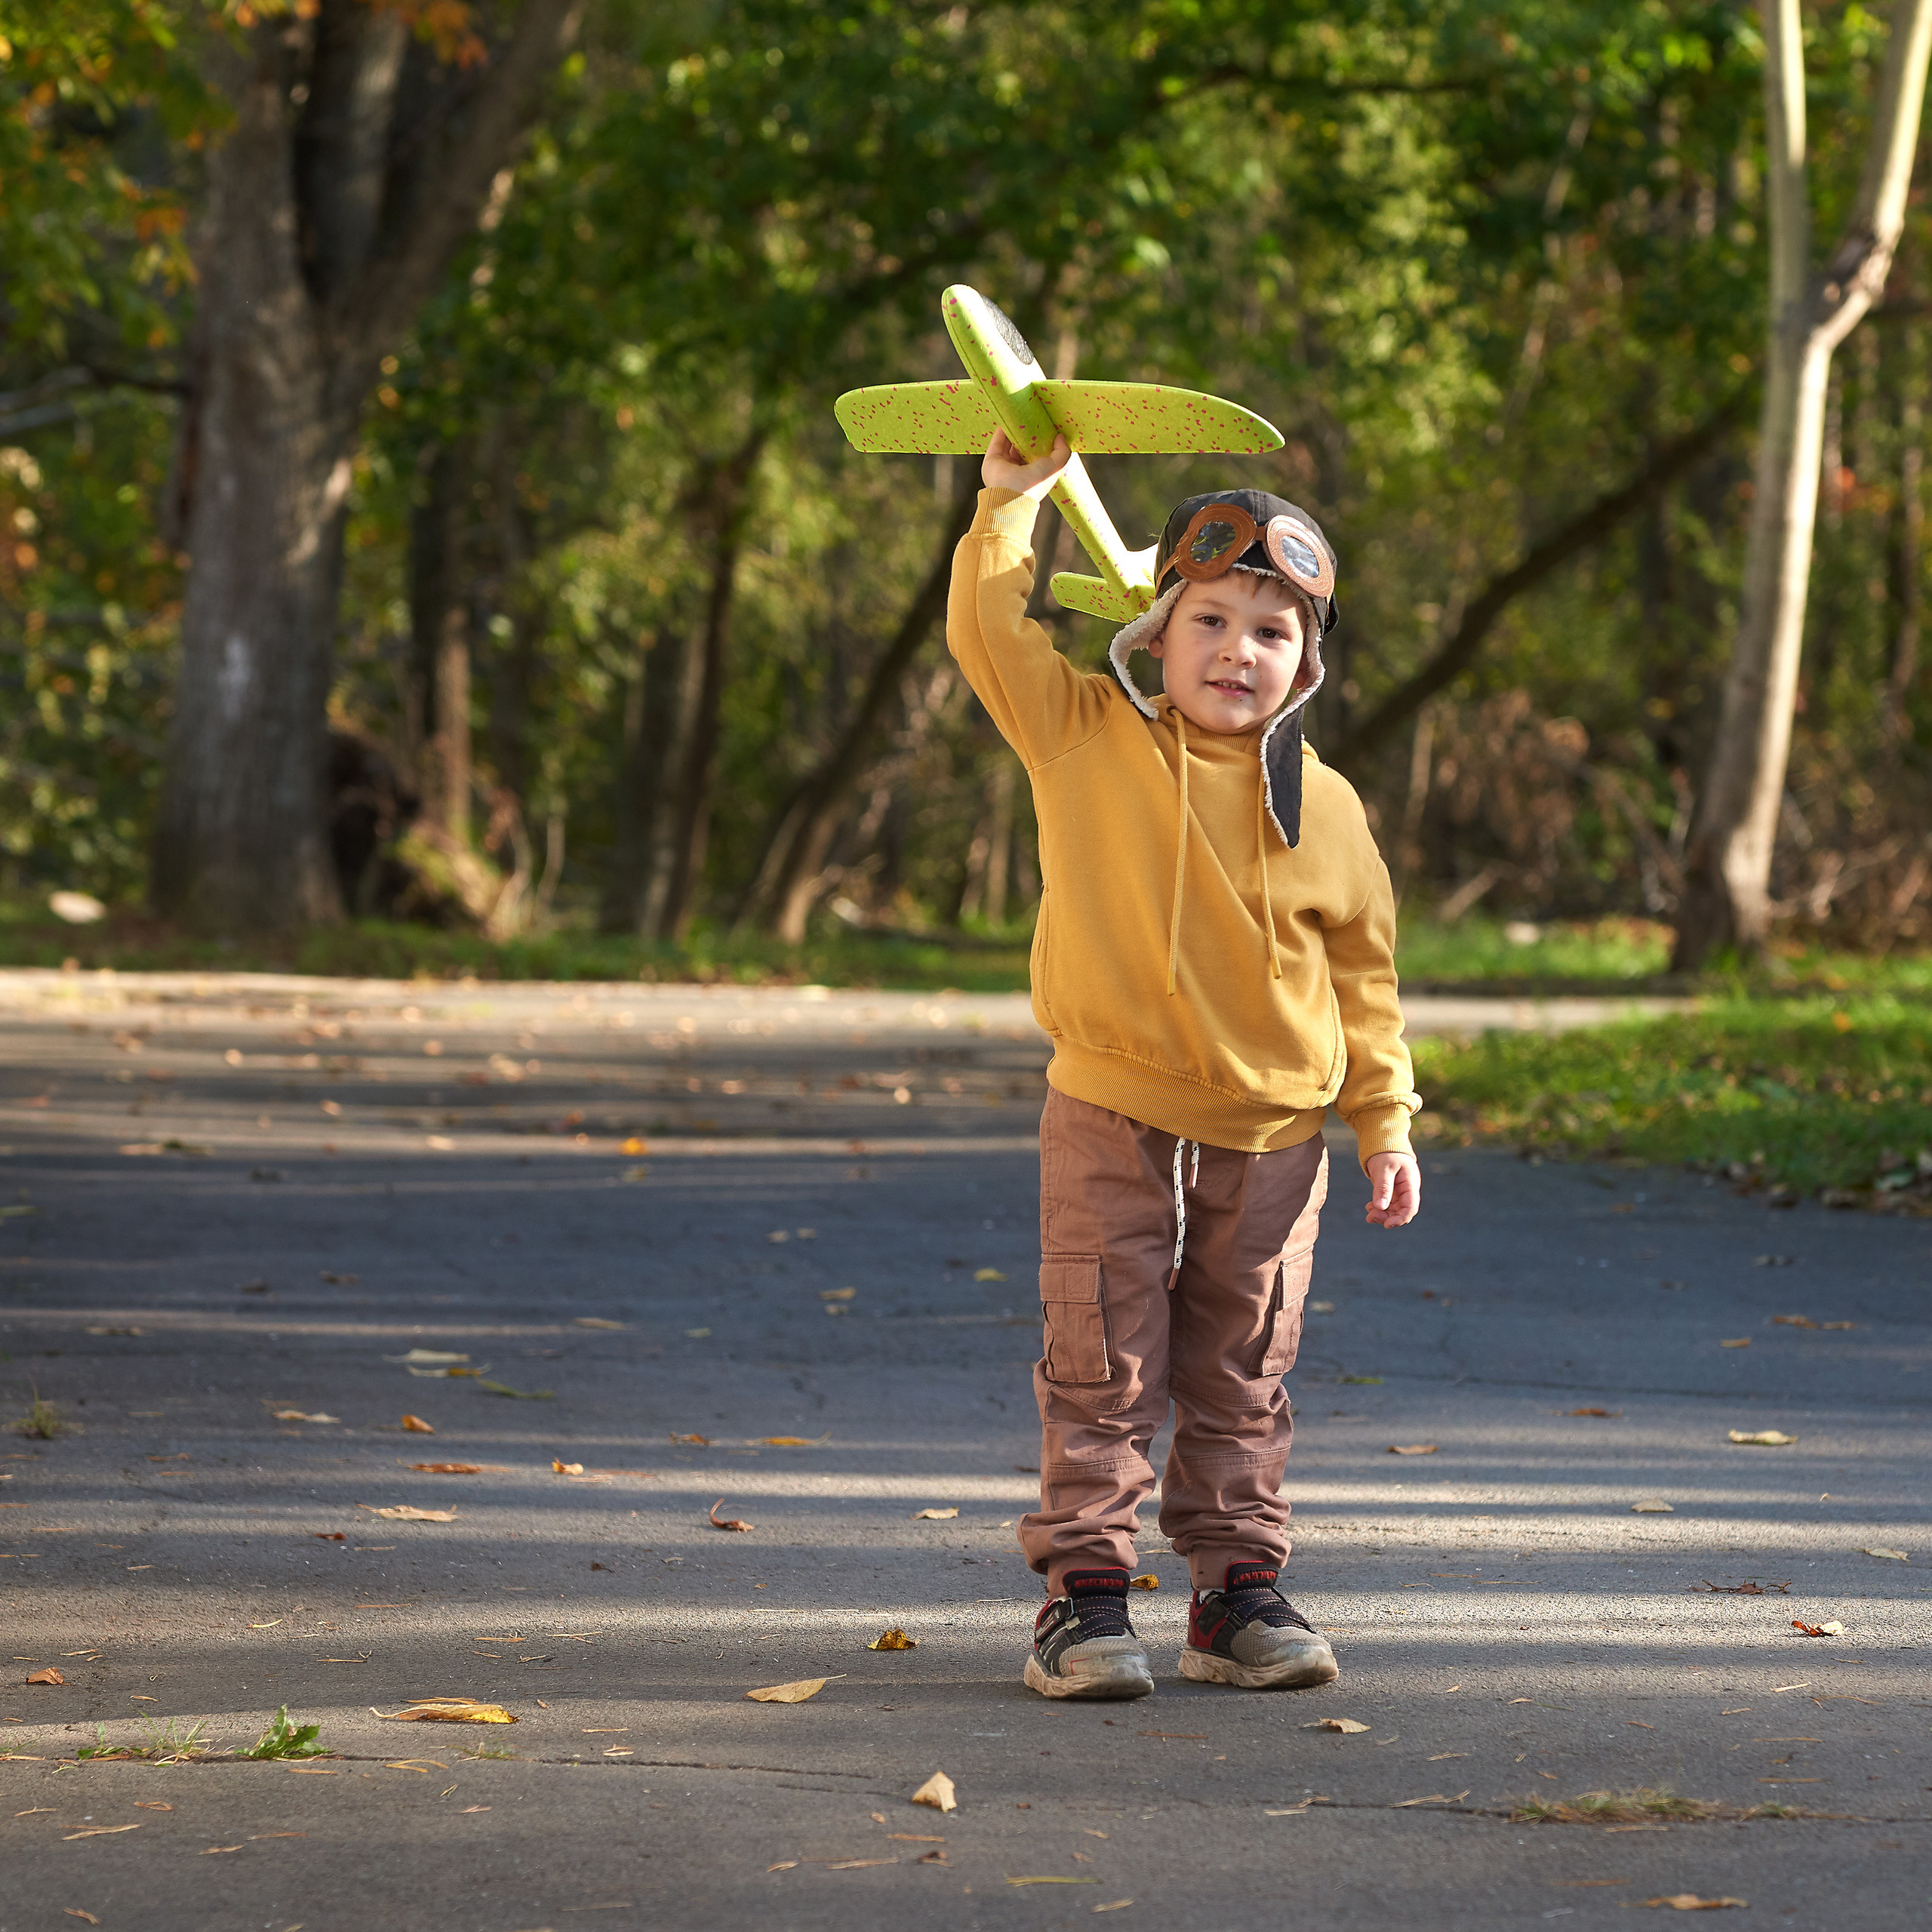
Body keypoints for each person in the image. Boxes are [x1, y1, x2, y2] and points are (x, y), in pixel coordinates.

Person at [946, 429, 1422, 1700]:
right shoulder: (1085, 738)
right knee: (1100, 1354)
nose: (1236, 651)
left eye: (1272, 634)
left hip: (1273, 1136)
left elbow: (1366, 978)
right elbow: (993, 639)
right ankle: (1086, 1602)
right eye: (1210, 618)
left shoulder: (1327, 806)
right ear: (1155, 631)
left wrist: (1386, 1119)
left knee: (1240, 1366)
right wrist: (1008, 505)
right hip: (1110, 1104)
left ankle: (1235, 1595)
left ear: (1306, 664)